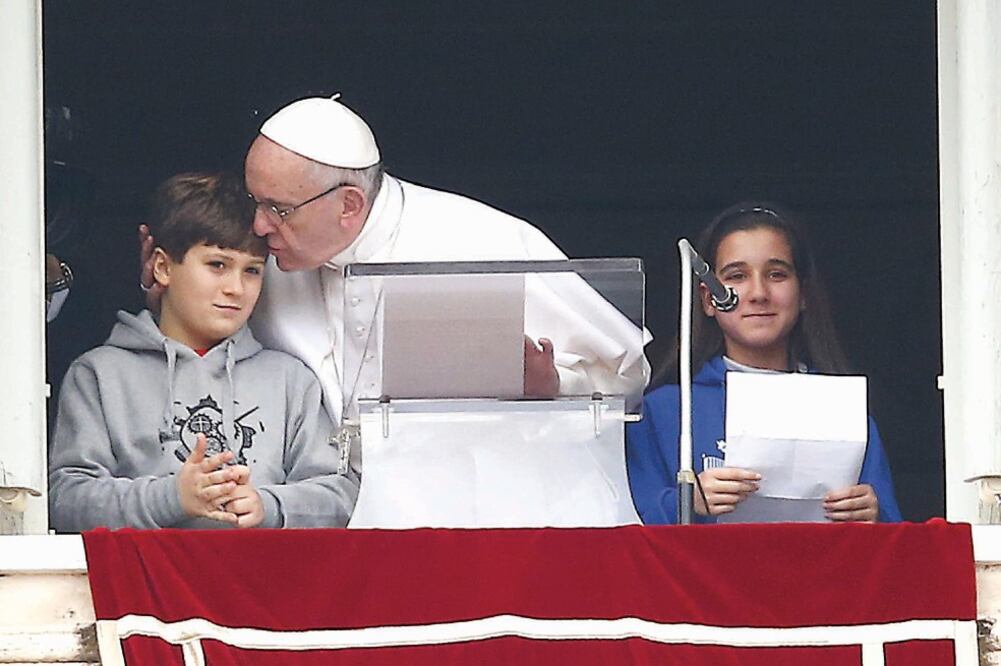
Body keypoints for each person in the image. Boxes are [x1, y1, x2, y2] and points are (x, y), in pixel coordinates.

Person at [140, 95, 648, 434]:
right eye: (255, 201)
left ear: (348, 206)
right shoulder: (259, 261)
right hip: (319, 521)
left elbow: (627, 377)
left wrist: (554, 386)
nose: (258, 225)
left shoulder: (481, 240)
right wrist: (169, 301)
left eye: (278, 208)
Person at [49, 172, 357, 531]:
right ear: (163, 267)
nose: (236, 288)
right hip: (144, 583)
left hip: (262, 581)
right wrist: (171, 498)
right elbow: (66, 499)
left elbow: (338, 496)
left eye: (253, 271)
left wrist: (268, 506)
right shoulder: (99, 374)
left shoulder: (291, 380)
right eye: (217, 265)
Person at [627, 202, 901, 524]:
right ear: (707, 299)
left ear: (802, 295)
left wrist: (874, 516)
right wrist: (685, 503)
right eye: (737, 276)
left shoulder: (843, 410)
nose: (758, 293)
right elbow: (627, 536)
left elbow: (895, 544)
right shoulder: (663, 410)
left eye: (776, 274)